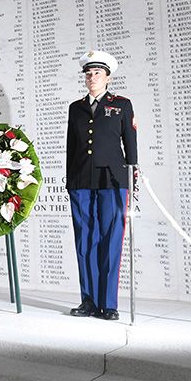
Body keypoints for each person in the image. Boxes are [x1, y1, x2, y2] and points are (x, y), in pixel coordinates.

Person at [66, 50, 137, 321]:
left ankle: (108, 304)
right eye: (88, 73)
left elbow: (130, 144)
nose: (91, 77)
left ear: (108, 77)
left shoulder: (122, 105)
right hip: (81, 179)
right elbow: (71, 147)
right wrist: (70, 180)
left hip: (113, 180)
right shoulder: (76, 108)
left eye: (97, 73)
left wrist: (132, 179)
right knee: (85, 239)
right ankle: (89, 300)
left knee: (110, 239)